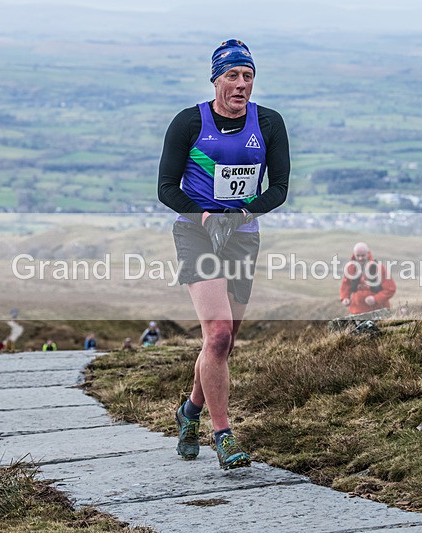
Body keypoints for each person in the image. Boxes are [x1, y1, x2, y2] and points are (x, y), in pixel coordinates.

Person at [158, 39, 290, 470]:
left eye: (248, 76)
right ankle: (223, 434)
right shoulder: (188, 123)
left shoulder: (268, 124)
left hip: (242, 235)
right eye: (232, 75)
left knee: (226, 341)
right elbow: (166, 188)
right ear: (216, 79)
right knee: (215, 336)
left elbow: (279, 189)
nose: (241, 84)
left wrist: (244, 213)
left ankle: (189, 411)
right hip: (197, 234)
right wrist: (203, 216)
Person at [339, 242, 396, 315]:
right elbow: (345, 286)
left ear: (368, 253)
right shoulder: (350, 269)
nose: (360, 258)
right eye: (358, 255)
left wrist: (376, 299)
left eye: (363, 255)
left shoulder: (379, 268)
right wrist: (345, 298)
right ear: (354, 254)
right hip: (356, 311)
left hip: (379, 311)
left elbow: (390, 289)